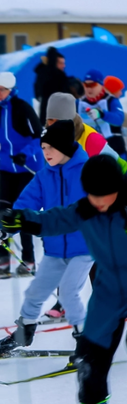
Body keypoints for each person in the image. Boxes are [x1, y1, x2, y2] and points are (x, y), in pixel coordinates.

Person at [0, 154, 127, 404]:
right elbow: (50, 221)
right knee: (90, 351)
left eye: (104, 195)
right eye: (92, 195)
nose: (98, 202)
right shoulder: (83, 211)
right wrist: (19, 219)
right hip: (107, 291)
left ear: (117, 190)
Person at [0, 120, 92, 356]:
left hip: (84, 247)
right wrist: (8, 226)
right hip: (54, 249)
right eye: (43, 148)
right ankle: (25, 331)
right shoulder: (43, 176)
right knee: (35, 292)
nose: (45, 153)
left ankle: (85, 343)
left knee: (69, 292)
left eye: (50, 147)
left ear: (64, 147)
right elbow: (24, 205)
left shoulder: (87, 172)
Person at [0, 71, 43, 276]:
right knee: (2, 210)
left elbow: (38, 136)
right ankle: (3, 259)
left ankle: (29, 259)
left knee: (22, 212)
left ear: (10, 90)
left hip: (27, 168)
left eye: (1, 90)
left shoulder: (21, 108)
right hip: (6, 168)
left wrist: (25, 155)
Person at [78, 70, 126, 153]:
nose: (89, 88)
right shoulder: (79, 103)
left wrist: (102, 114)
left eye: (92, 85)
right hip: (89, 151)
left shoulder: (110, 100)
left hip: (113, 149)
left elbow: (119, 119)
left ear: (101, 85)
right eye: (86, 85)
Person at [34, 47, 69, 127]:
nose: (63, 66)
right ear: (54, 62)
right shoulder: (59, 75)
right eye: (61, 63)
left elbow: (37, 91)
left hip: (45, 111)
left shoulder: (41, 73)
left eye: (64, 63)